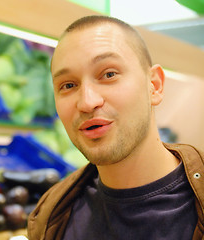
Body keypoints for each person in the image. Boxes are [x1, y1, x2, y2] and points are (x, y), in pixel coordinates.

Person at [27, 15, 204, 240]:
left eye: (109, 74)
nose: (87, 102)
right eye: (68, 85)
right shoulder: (51, 215)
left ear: (155, 86)